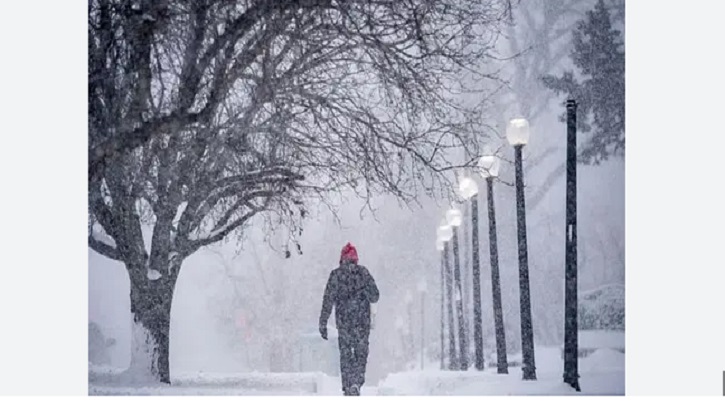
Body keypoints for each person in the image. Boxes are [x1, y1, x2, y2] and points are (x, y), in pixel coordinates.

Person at [319, 242, 380, 396]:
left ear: (341, 259)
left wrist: (323, 322)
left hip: (344, 322)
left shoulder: (336, 275)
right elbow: (375, 296)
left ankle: (347, 384)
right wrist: (363, 290)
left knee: (346, 354)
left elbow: (328, 300)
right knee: (361, 353)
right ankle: (356, 382)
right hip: (362, 321)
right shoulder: (363, 273)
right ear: (356, 259)